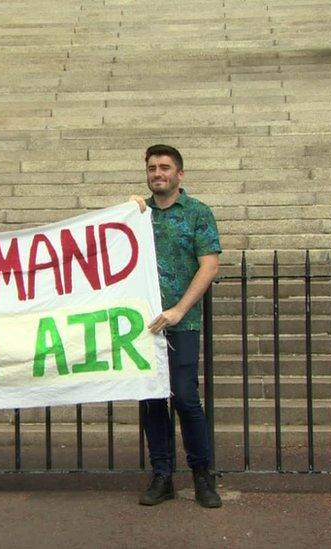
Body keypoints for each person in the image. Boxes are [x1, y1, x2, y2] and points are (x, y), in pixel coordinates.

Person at [130, 144, 222, 508]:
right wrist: (126, 211)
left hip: (183, 321)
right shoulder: (138, 215)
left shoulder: (198, 213)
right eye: (152, 168)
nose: (157, 173)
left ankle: (202, 474)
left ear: (179, 174)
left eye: (165, 167)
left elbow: (209, 264)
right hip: (144, 324)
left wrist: (180, 310)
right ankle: (162, 475)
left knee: (185, 397)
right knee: (152, 400)